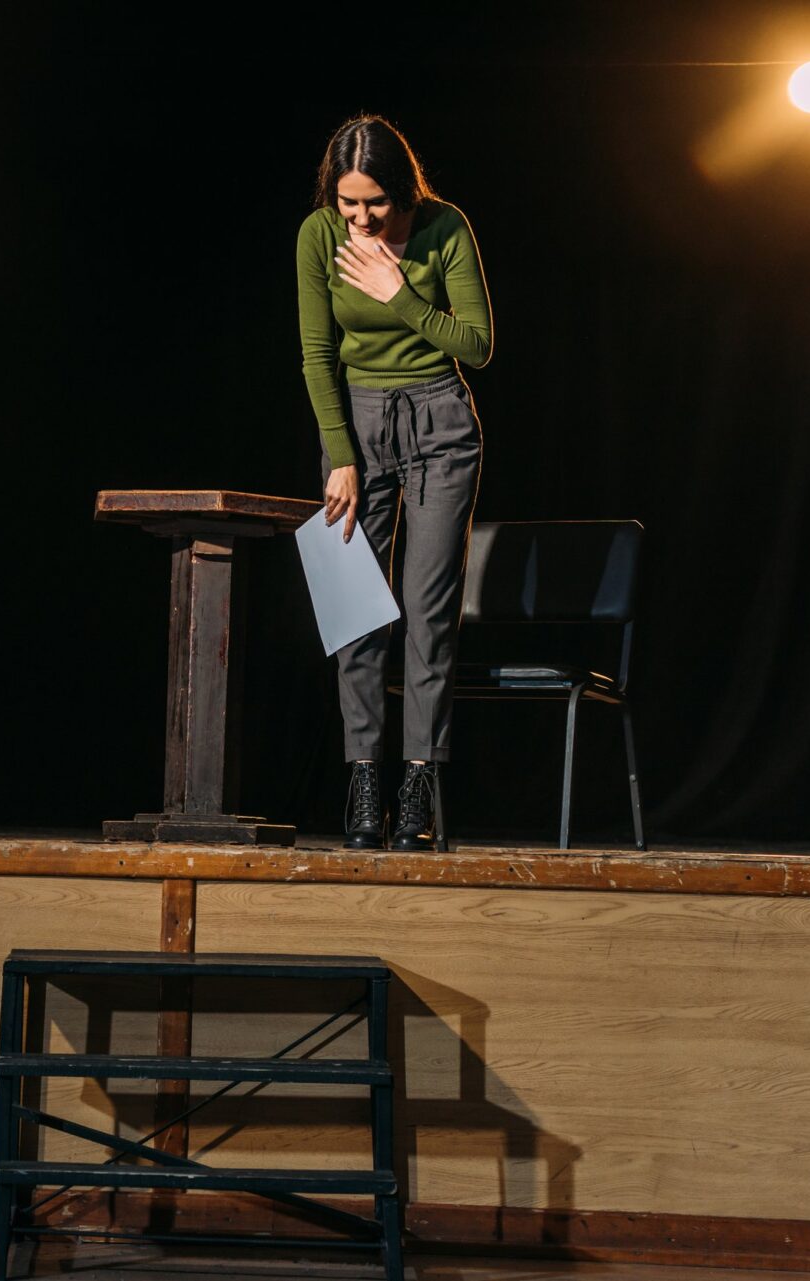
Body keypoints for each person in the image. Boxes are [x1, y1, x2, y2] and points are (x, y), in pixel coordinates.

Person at [295, 115, 493, 851]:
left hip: (440, 417)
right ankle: (364, 782)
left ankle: (418, 782)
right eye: (348, 203)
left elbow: (477, 345)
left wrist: (398, 289)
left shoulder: (444, 229)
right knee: (353, 608)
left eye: (374, 203)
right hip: (357, 425)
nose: (360, 217)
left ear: (401, 189)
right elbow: (318, 356)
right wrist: (340, 452)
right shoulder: (319, 236)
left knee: (426, 610)